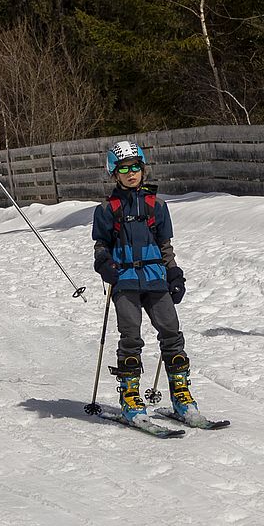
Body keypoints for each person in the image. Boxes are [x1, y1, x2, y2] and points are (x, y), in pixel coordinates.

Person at [91, 140, 200, 424]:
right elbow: (101, 245)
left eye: (135, 167)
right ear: (114, 173)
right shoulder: (106, 210)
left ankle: (181, 398)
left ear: (143, 170)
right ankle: (130, 398)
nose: (131, 173)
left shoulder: (157, 205)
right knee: (131, 337)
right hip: (124, 280)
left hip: (155, 278)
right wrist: (104, 264)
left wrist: (174, 273)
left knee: (171, 333)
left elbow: (165, 245)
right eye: (124, 168)